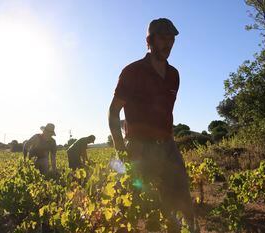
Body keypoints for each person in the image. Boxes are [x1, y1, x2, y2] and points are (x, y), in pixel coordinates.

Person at [108, 18, 197, 232]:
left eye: (172, 39)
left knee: (183, 196)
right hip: (140, 147)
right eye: (163, 38)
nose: (168, 44)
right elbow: (113, 112)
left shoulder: (174, 74)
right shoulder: (132, 72)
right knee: (151, 206)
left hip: (168, 145)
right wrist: (121, 150)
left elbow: (166, 112)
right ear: (149, 40)